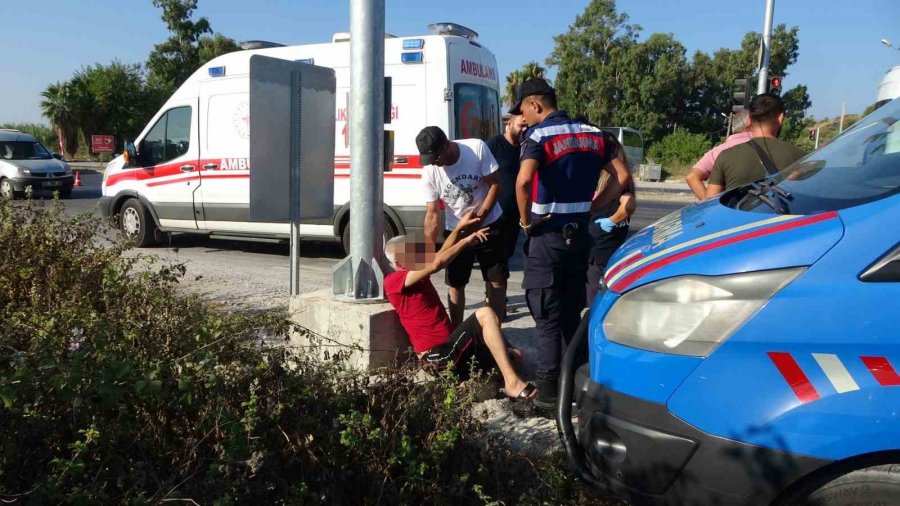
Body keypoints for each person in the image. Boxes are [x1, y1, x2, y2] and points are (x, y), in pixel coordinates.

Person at [511, 78, 632, 412]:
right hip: (580, 235)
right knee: (569, 311)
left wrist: (525, 222)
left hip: (547, 236)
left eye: (523, 110)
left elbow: (523, 182)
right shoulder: (595, 133)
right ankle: (574, 383)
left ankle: (549, 396)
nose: (523, 118)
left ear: (535, 104)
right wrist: (593, 207)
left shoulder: (539, 136)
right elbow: (622, 176)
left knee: (547, 314)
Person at [383, 211, 536, 401]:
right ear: (399, 262)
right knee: (485, 314)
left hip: (453, 348)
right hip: (435, 357)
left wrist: (460, 228)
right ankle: (511, 384)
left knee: (515, 356)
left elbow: (440, 254)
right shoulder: (394, 280)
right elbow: (437, 263)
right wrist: (466, 241)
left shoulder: (417, 274)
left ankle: (476, 385)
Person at [418, 126, 508, 328]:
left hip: (490, 222)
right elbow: (432, 214)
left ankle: (493, 330)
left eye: (436, 158)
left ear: (447, 145)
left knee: (496, 281)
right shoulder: (430, 171)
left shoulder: (476, 148)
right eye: (430, 160)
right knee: (456, 283)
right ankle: (457, 332)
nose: (435, 164)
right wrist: (428, 252)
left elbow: (495, 184)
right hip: (456, 229)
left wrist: (480, 217)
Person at [706, 93, 805, 197]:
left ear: (749, 118)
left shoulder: (725, 156)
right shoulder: (800, 157)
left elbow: (710, 203)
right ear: (780, 118)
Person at [586, 168, 636, 307]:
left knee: (595, 301)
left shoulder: (616, 196)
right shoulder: (620, 196)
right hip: (611, 252)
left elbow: (630, 204)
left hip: (597, 255)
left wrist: (612, 221)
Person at [486, 114, 529, 261]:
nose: (524, 130)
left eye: (526, 126)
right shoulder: (493, 145)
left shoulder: (527, 148)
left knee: (507, 254)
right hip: (496, 215)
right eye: (521, 125)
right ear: (509, 123)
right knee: (495, 261)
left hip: (515, 215)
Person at [686, 109, 752, 200]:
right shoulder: (763, 145)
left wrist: (709, 203)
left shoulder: (718, 151)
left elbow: (692, 177)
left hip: (727, 207)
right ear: (749, 121)